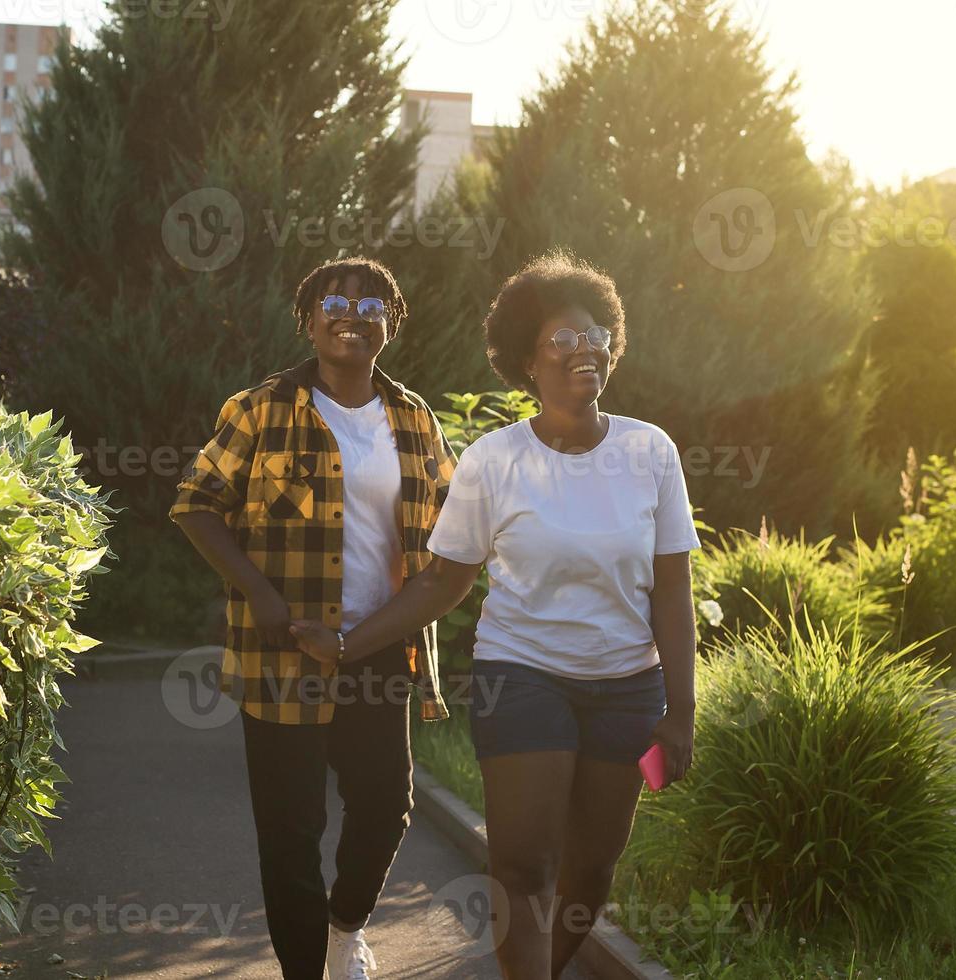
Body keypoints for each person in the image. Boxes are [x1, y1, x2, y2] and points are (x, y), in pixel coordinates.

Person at [290, 250, 700, 980]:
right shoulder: (493, 460)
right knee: (524, 867)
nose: (587, 349)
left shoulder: (650, 451)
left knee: (593, 873)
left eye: (597, 333)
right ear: (528, 363)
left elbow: (672, 591)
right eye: (564, 340)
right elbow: (442, 583)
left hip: (628, 689)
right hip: (523, 676)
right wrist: (350, 644)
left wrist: (680, 712)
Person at [170, 256, 455, 980]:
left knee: (387, 805)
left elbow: (450, 525)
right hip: (283, 654)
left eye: (371, 304)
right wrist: (259, 595)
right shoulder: (260, 408)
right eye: (334, 299)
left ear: (390, 325)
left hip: (378, 645)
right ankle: (305, 972)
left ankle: (344, 925)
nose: (351, 313)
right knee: (291, 833)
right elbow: (196, 503)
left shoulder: (414, 417)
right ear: (307, 319)